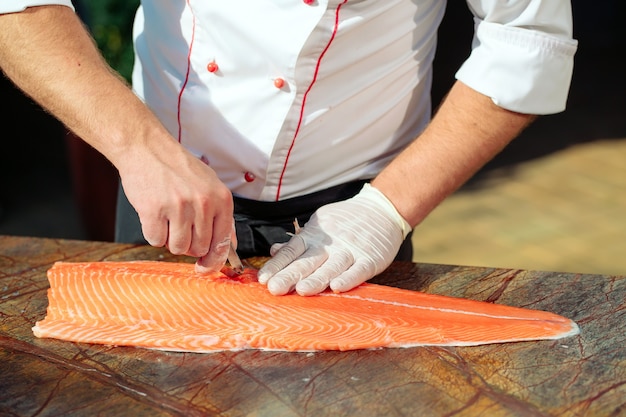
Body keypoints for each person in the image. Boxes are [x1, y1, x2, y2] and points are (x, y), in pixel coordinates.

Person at [0, 1, 577, 296]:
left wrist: (384, 212)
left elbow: (526, 39)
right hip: (163, 188)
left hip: (356, 215)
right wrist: (139, 148)